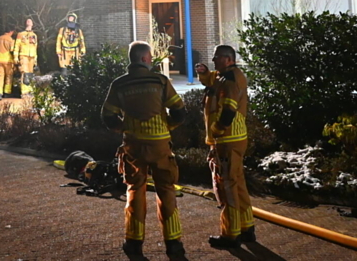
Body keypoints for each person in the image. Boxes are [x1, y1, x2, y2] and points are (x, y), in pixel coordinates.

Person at [101, 41, 187, 261]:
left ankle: (134, 243)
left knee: (135, 190)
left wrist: (124, 128)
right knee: (166, 190)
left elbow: (107, 115)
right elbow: (179, 110)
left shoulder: (119, 84)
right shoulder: (160, 81)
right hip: (160, 145)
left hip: (134, 145)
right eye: (150, 57)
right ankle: (174, 244)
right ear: (145, 59)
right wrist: (168, 126)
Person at [194, 45, 256, 249]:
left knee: (225, 187)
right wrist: (203, 75)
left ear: (229, 59)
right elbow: (213, 82)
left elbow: (228, 111)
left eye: (217, 57)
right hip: (236, 139)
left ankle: (230, 234)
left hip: (226, 141)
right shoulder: (227, 75)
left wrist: (217, 130)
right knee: (237, 184)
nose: (213, 60)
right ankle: (247, 228)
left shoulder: (229, 81)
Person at [14, 18, 38, 97]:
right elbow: (16, 45)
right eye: (27, 20)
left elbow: (35, 47)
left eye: (30, 21)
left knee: (30, 74)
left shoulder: (34, 35)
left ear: (32, 24)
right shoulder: (20, 34)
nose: (29, 21)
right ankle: (24, 92)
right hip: (23, 55)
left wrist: (35, 59)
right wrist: (16, 56)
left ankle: (30, 91)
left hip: (32, 56)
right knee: (24, 74)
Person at [0, 25, 16, 101]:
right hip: (8, 60)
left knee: (0, 76)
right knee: (9, 76)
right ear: (11, 31)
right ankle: (7, 92)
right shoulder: (11, 40)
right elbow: (12, 51)